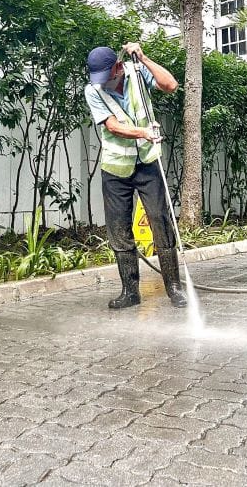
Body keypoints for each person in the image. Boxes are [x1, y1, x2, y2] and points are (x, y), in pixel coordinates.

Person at [85, 41, 187, 310]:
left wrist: (143, 59)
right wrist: (144, 132)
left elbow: (171, 85)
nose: (102, 83)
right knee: (119, 231)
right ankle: (130, 291)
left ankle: (174, 287)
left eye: (106, 77)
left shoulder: (136, 73)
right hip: (115, 169)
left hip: (147, 164)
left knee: (161, 222)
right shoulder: (92, 90)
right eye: (98, 79)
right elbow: (112, 126)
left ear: (118, 67)